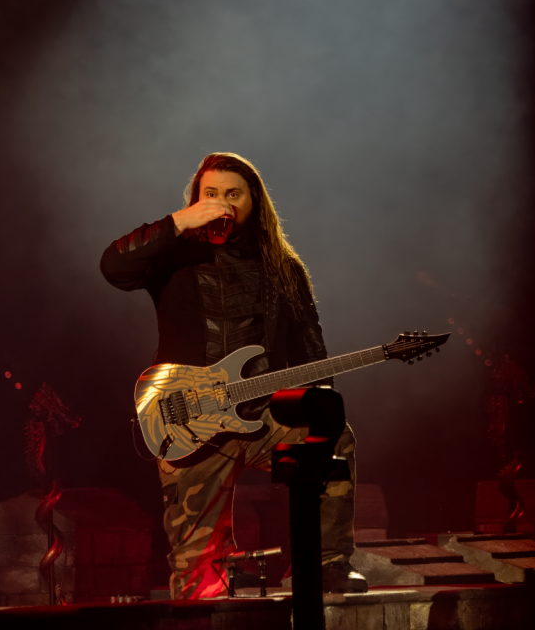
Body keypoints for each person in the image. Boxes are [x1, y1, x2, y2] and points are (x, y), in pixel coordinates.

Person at [100, 152, 366, 599]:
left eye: (233, 194)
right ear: (195, 199)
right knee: (198, 577)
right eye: (211, 194)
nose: (222, 203)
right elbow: (113, 267)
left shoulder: (283, 267)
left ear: (253, 201)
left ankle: (325, 564)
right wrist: (177, 223)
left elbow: (310, 347)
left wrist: (320, 404)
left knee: (334, 435)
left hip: (263, 419)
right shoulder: (170, 256)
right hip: (190, 420)